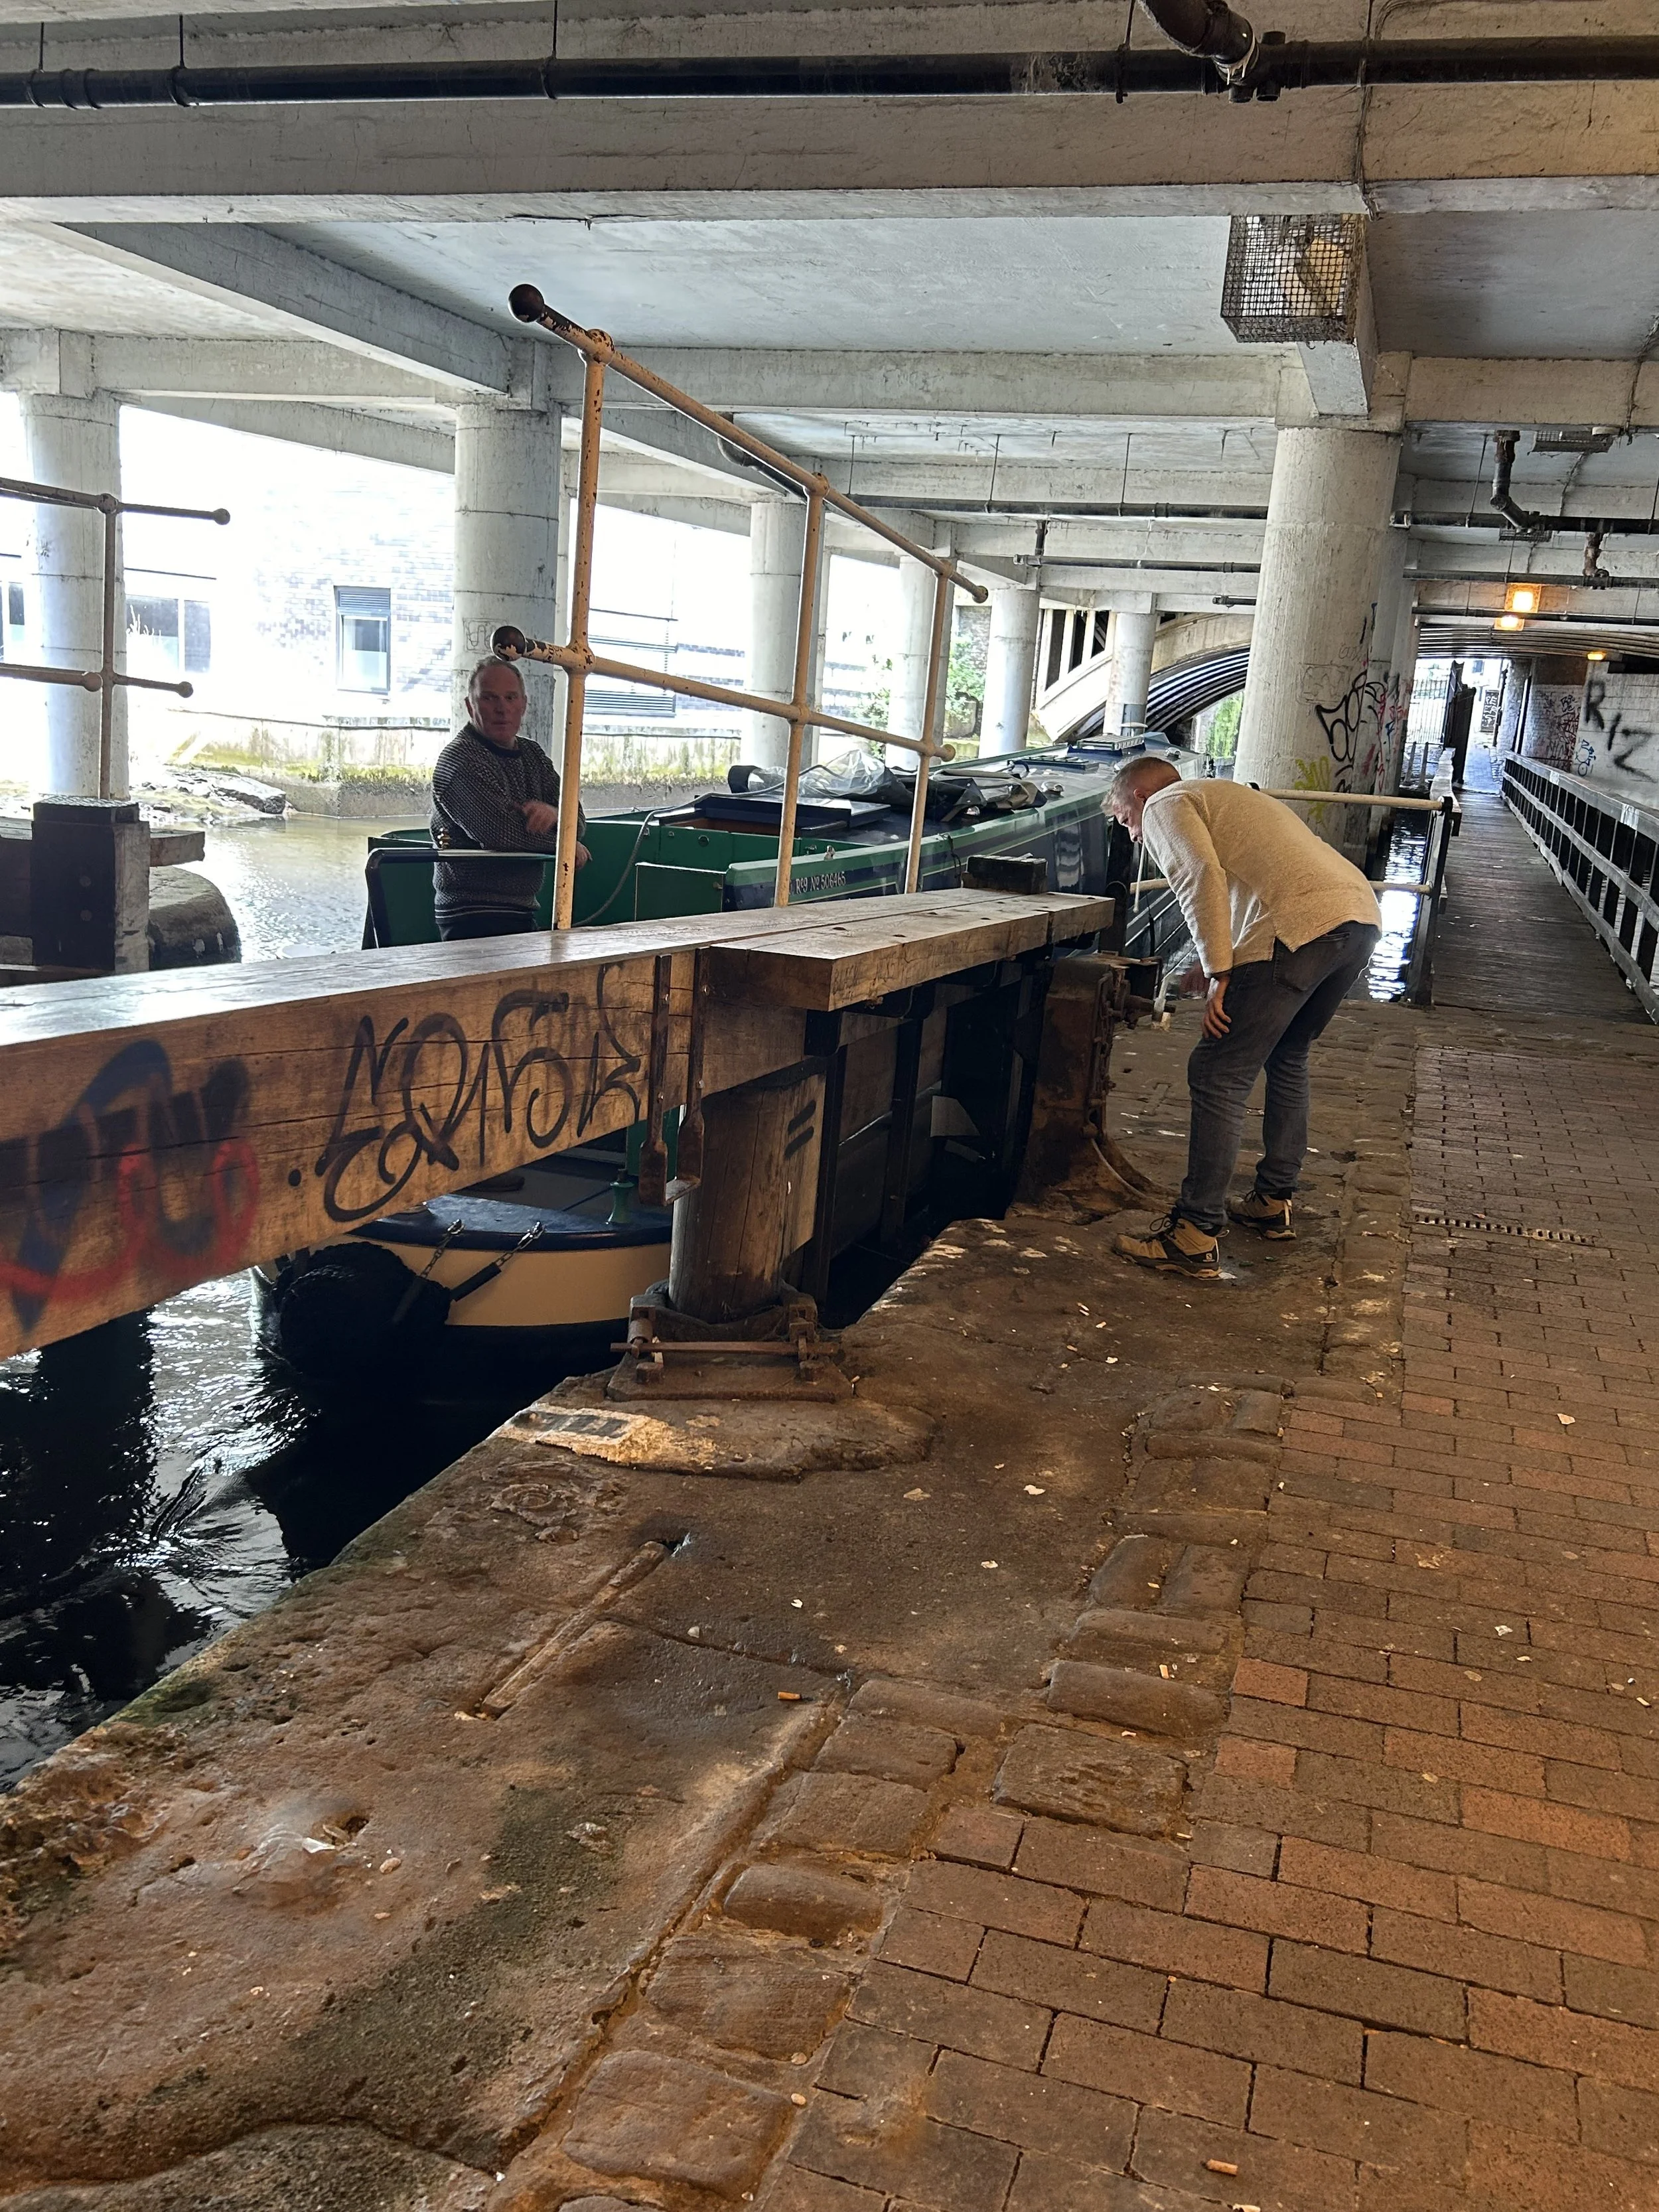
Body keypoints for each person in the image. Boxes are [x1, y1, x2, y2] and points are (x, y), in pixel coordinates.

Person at [1107, 758, 1381, 1282]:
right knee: (1288, 1054)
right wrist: (1218, 956)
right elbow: (1247, 877)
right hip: (1358, 918)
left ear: (1140, 795)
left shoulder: (1166, 803)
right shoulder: (1224, 794)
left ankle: (1195, 1231)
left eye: (1125, 821)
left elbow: (1199, 875)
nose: (1135, 836)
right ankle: (1274, 1200)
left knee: (1217, 1073)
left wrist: (1218, 972)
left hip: (1299, 927)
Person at [429, 657, 589, 939]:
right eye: (489, 698)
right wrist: (566, 843)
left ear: (524, 705)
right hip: (470, 913)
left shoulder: (534, 756)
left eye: (510, 697)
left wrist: (555, 812)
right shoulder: (459, 761)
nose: (502, 709)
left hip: (522, 910)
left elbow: (576, 815)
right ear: (470, 706)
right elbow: (500, 833)